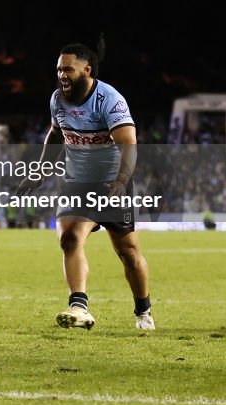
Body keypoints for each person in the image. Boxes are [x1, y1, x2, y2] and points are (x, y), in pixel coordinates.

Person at [18, 41, 154, 331]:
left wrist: (121, 181)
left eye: (68, 69)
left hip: (112, 183)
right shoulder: (58, 99)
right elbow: (56, 135)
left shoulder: (109, 100)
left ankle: (143, 310)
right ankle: (78, 306)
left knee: (128, 253)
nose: (62, 75)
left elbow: (128, 144)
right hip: (77, 182)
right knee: (69, 238)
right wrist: (39, 171)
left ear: (87, 70)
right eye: (58, 69)